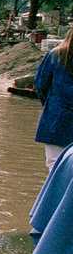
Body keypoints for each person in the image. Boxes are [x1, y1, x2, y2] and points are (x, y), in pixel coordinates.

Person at [34, 27, 73, 170]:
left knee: (54, 167)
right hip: (58, 115)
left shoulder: (55, 56)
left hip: (56, 118)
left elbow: (40, 85)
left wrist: (51, 106)